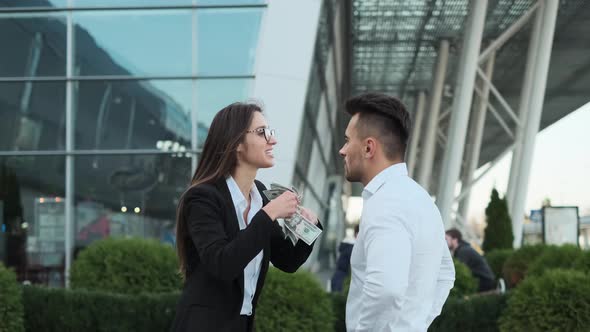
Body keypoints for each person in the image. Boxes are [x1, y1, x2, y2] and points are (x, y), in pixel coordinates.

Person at [170, 102, 321, 332]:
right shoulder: (202, 198)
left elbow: (287, 261)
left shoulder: (260, 194)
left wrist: (309, 228)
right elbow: (222, 263)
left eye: (270, 132)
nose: (273, 140)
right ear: (236, 143)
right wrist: (269, 213)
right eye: (262, 133)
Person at [339, 93, 455, 331]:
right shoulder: (422, 199)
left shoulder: (385, 203)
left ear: (369, 147)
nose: (342, 150)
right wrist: (415, 324)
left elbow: (386, 291)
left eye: (347, 140)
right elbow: (445, 274)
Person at [330, 224, 359, 292]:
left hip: (337, 276)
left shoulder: (346, 244)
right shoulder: (352, 247)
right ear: (357, 234)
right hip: (343, 280)